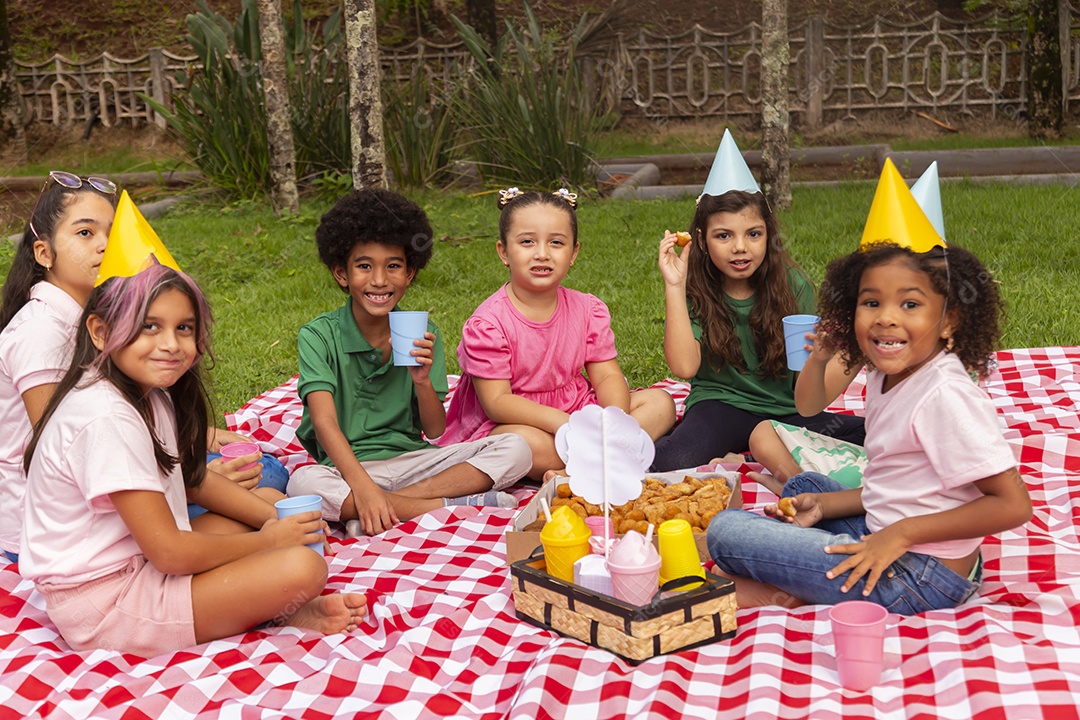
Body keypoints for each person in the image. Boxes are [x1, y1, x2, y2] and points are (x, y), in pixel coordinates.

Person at [707, 163, 1031, 614]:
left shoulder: (944, 395)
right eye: (872, 301)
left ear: (950, 320)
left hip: (918, 575)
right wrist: (818, 359)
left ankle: (793, 588)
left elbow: (1014, 505)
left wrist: (898, 536)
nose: (886, 317)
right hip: (887, 536)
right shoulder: (886, 372)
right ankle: (802, 570)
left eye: (911, 303)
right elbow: (812, 410)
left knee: (726, 531)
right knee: (805, 486)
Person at [20, 263, 366, 657]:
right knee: (304, 568)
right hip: (107, 605)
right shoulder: (105, 417)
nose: (171, 344)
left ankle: (265, 605)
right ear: (99, 332)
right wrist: (267, 541)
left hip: (140, 565)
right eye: (149, 327)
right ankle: (273, 607)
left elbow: (192, 480)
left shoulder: (150, 394)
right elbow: (170, 553)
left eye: (184, 328)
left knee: (268, 503)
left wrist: (271, 521)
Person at [0, 179, 287, 564]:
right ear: (44, 253)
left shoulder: (101, 323)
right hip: (65, 527)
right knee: (265, 479)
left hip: (126, 480)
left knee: (266, 482)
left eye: (111, 232)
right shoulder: (41, 333)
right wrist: (181, 485)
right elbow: (66, 454)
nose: (104, 244)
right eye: (85, 232)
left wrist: (198, 448)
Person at [287, 189, 532, 538]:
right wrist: (364, 486)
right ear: (342, 273)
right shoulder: (318, 336)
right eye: (364, 266)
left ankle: (382, 508)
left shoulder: (422, 332)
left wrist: (421, 380)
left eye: (393, 266)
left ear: (410, 273)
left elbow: (434, 431)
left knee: (515, 448)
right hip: (346, 469)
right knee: (302, 482)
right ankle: (445, 506)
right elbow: (324, 423)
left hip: (414, 463)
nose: (379, 280)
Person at [439, 188, 676, 480]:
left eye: (556, 243)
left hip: (577, 409)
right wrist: (565, 424)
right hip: (519, 420)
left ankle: (582, 466)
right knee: (521, 445)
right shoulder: (488, 324)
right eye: (527, 242)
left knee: (661, 403)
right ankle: (605, 461)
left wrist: (615, 420)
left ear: (574, 252)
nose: (542, 253)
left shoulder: (588, 309)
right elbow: (498, 402)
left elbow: (606, 376)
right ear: (504, 252)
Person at [653, 186, 864, 471]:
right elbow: (684, 368)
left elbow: (805, 378)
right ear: (702, 240)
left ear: (769, 235)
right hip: (721, 407)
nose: (740, 247)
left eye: (754, 234)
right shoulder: (694, 290)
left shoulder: (793, 286)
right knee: (673, 462)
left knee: (870, 436)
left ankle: (749, 460)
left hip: (786, 412)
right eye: (724, 235)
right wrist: (675, 286)